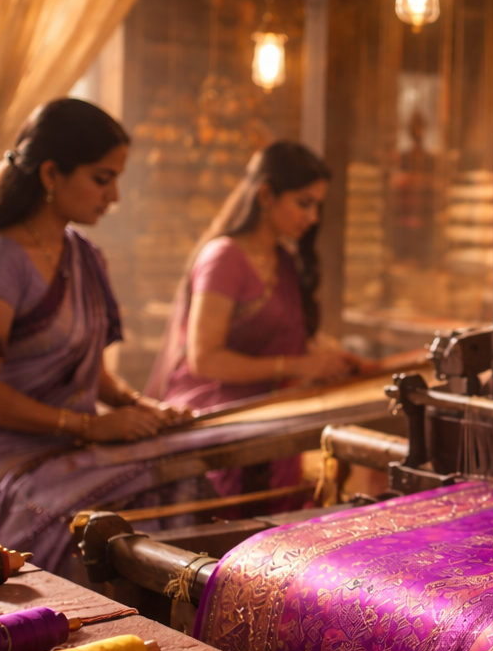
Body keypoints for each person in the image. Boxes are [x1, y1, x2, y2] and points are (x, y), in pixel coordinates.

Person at [0, 99, 189, 561]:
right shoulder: (0, 260)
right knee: (83, 524)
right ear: (49, 175)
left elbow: (91, 375)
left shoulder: (85, 256)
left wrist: (143, 408)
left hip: (61, 443)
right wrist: (89, 427)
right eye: (102, 179)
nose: (114, 196)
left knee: (178, 476)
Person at [147, 142, 356, 500]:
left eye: (318, 205)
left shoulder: (285, 262)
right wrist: (298, 365)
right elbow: (205, 358)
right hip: (218, 420)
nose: (313, 217)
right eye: (304, 203)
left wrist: (334, 362)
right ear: (266, 195)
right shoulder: (224, 258)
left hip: (271, 417)